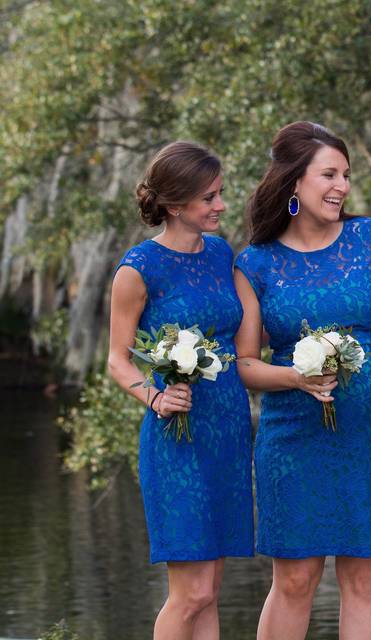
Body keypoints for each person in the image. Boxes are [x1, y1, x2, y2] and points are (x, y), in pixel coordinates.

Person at [232, 121, 371, 640]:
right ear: (293, 182)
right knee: (295, 578)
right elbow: (245, 364)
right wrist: (294, 376)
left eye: (347, 175)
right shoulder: (255, 263)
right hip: (294, 435)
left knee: (365, 577)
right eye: (329, 174)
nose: (342, 187)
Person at [107, 141, 254, 640]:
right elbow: (116, 359)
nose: (220, 205)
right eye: (208, 198)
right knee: (188, 593)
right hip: (177, 436)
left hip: (228, 429)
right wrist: (154, 396)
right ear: (174, 205)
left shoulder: (219, 254)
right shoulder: (138, 268)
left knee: (210, 591)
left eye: (220, 194)